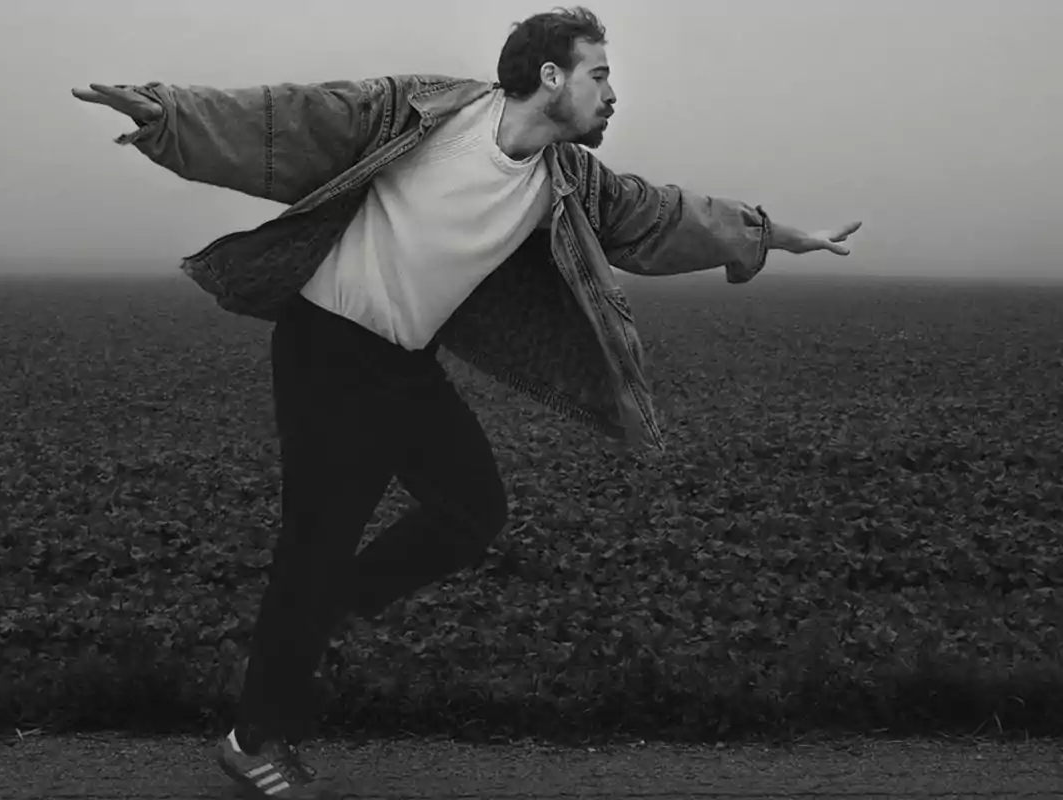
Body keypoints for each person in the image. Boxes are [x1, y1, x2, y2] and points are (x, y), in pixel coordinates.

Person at [73, 6, 860, 798]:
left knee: (473, 511)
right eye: (599, 75)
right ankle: (252, 738)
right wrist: (169, 113)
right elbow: (294, 119)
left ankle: (322, 609)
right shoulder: (422, 112)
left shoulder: (570, 180)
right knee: (314, 543)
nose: (612, 95)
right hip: (324, 348)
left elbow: (667, 215)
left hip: (405, 363)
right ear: (550, 77)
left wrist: (777, 235)